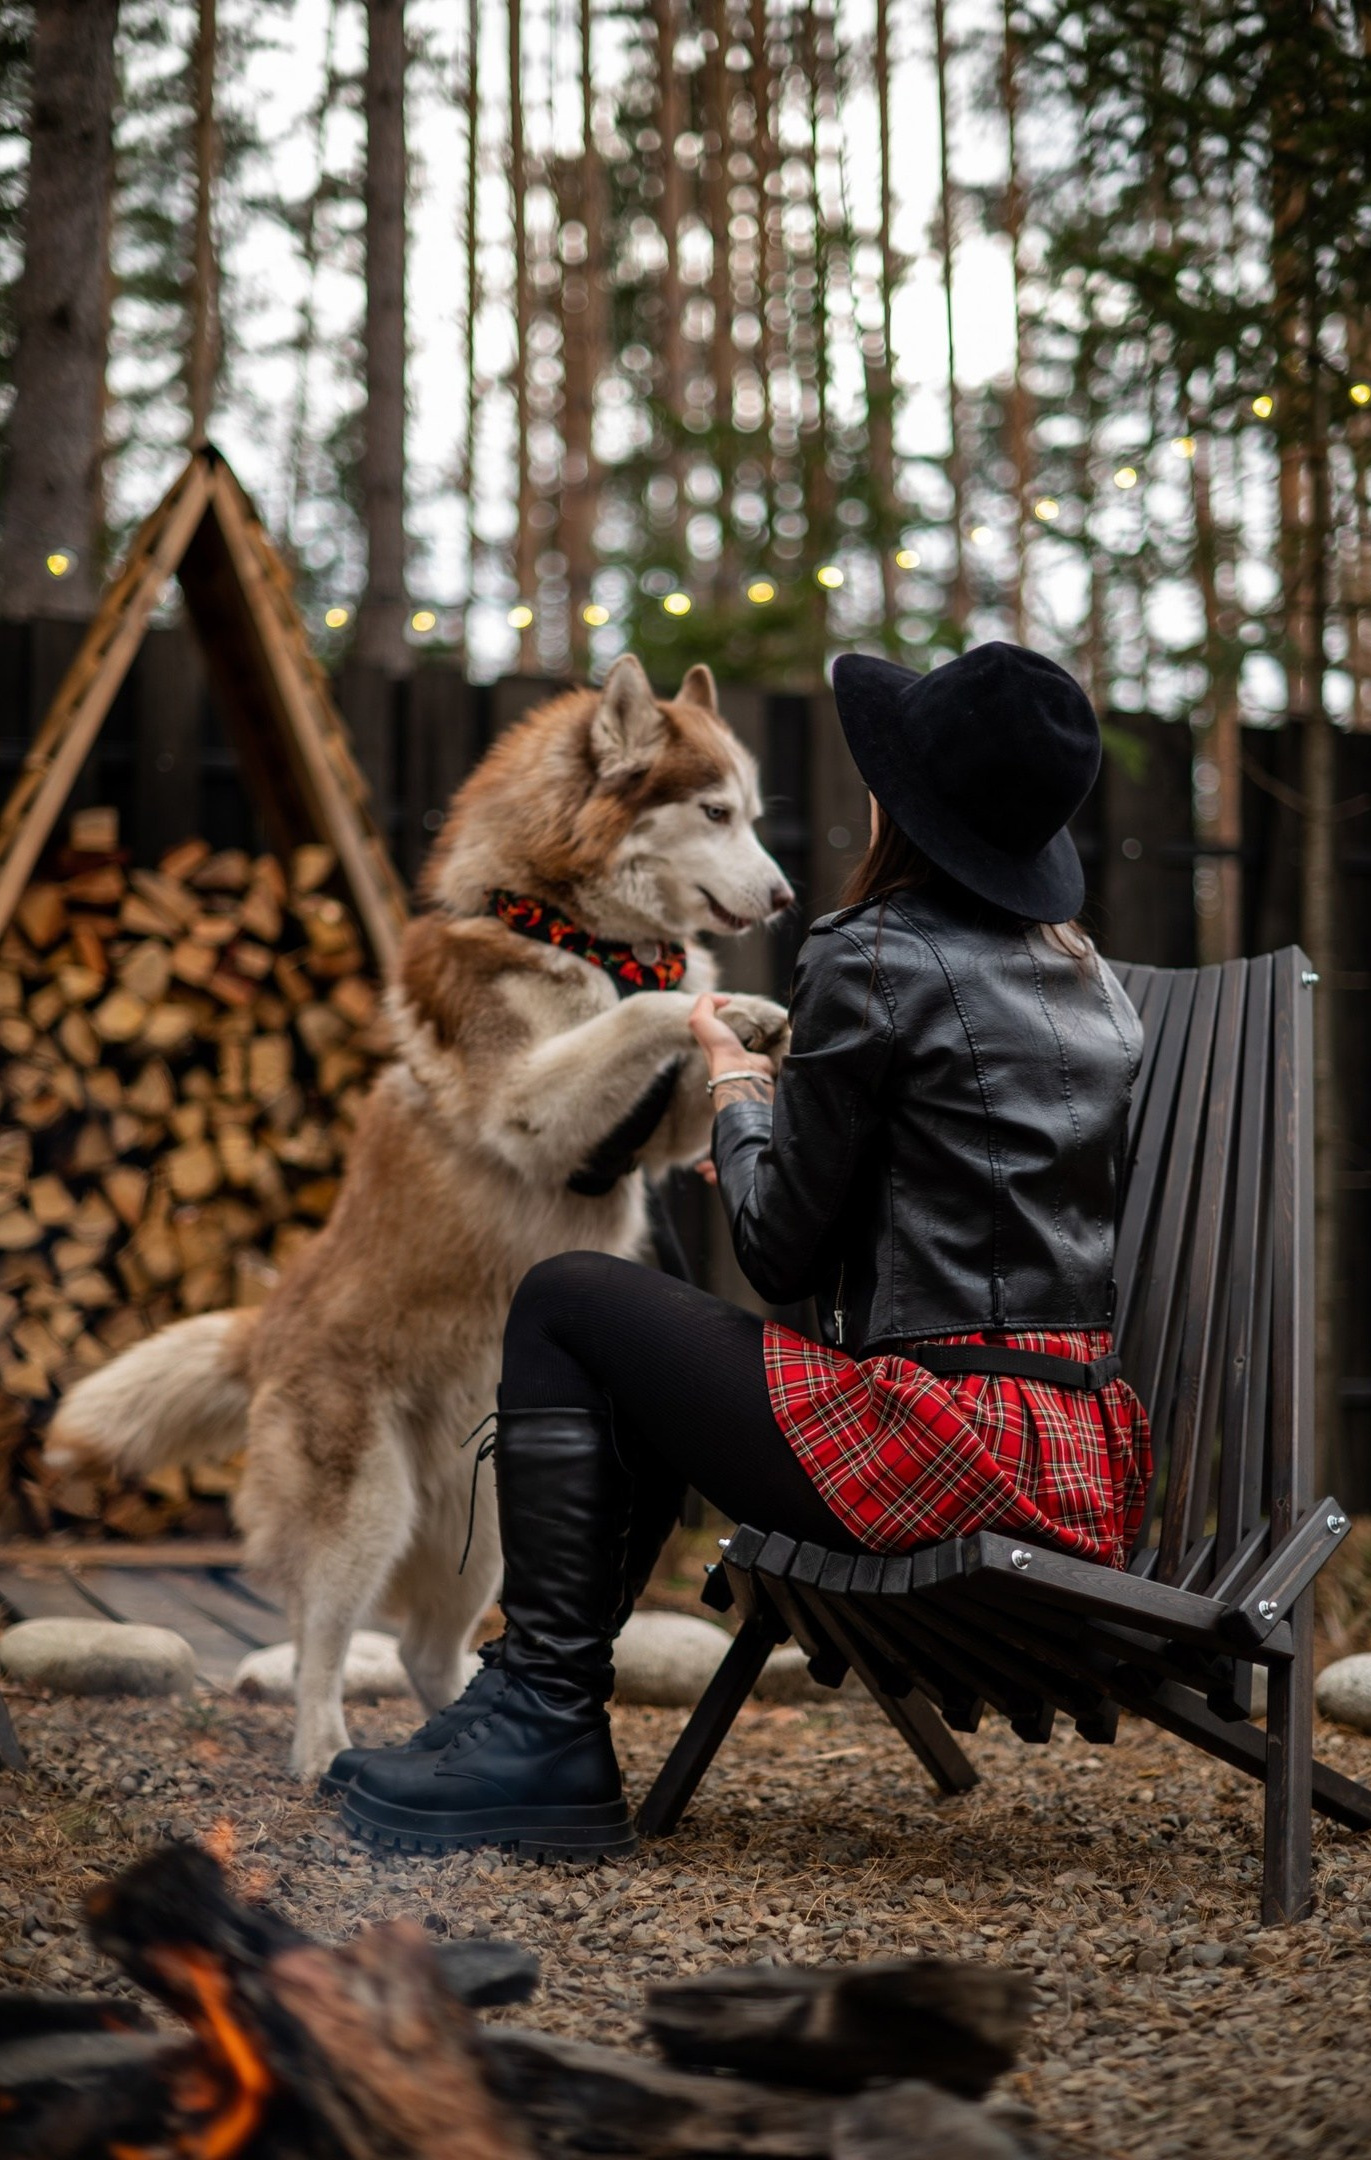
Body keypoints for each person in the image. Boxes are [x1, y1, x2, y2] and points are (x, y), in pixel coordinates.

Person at [335, 640, 1152, 1859]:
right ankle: (524, 1705)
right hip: (1077, 1458)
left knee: (570, 1299)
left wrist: (734, 1088)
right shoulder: (1090, 981)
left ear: (907, 809)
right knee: (645, 1334)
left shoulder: (872, 953)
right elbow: (978, 1210)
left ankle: (546, 1718)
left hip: (936, 1451)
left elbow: (775, 1250)